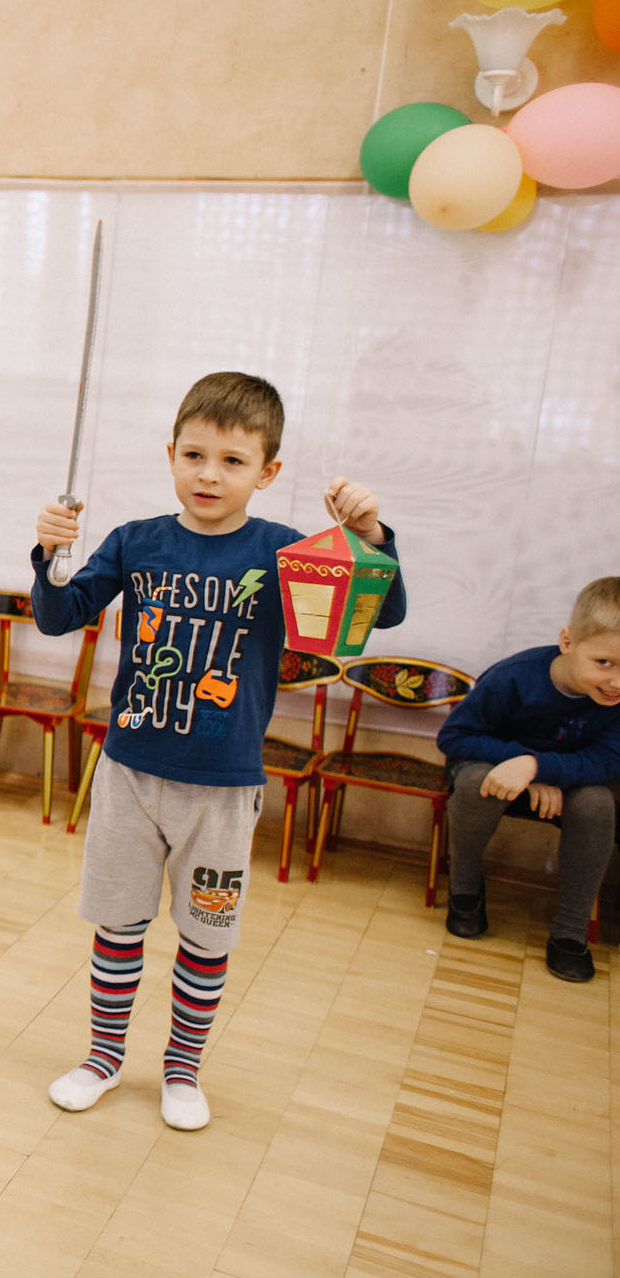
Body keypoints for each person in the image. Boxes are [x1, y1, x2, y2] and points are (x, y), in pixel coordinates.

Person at [30, 371, 406, 1130]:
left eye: (233, 461)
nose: (209, 473)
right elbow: (57, 615)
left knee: (206, 936)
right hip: (131, 774)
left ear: (267, 472)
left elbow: (381, 613)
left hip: (226, 786)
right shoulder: (136, 540)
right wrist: (47, 555)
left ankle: (181, 1070)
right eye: (194, 454)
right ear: (171, 454)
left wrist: (370, 539)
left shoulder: (283, 551)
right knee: (119, 925)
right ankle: (105, 1056)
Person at [437, 576, 620, 982]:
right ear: (568, 642)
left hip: (566, 782)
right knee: (475, 784)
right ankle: (465, 890)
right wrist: (524, 765)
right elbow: (454, 737)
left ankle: (570, 933)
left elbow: (608, 762)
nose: (616, 682)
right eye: (603, 663)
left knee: (597, 803)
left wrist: (538, 767)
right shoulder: (516, 676)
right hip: (490, 770)